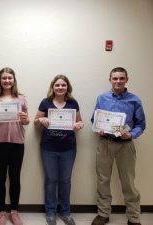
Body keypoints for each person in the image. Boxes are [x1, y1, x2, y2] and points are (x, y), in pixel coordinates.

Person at [91, 67, 146, 225]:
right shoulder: (102, 98)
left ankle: (134, 217)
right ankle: (103, 214)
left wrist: (132, 134)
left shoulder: (134, 100)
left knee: (128, 182)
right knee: (103, 180)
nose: (118, 81)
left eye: (121, 78)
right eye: (115, 78)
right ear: (110, 80)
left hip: (125, 145)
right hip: (105, 143)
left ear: (126, 80)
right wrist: (98, 129)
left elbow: (141, 125)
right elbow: (94, 119)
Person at [34, 75, 83, 225]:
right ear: (53, 87)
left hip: (68, 148)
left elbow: (80, 121)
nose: (60, 87)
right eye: (57, 85)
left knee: (65, 180)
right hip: (48, 148)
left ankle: (66, 212)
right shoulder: (45, 102)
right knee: (51, 180)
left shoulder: (73, 103)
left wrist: (79, 125)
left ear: (67, 87)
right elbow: (35, 123)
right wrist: (41, 120)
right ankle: (50, 212)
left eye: (63, 85)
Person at [0, 67, 30, 225]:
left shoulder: (22, 99)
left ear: (14, 80)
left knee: (15, 178)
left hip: (17, 142)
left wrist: (24, 118)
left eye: (10, 78)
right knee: (0, 177)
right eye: (4, 78)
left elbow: (27, 121)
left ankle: (14, 212)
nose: (7, 81)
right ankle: (1, 212)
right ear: (0, 80)